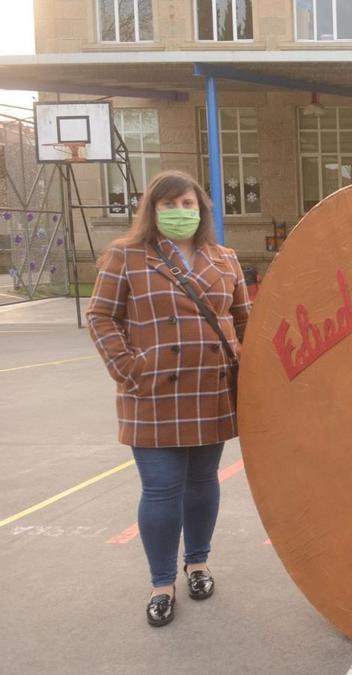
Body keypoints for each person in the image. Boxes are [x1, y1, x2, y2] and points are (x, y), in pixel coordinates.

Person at [87, 170, 251, 628]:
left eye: (188, 204)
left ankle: (197, 563)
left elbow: (244, 321)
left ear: (201, 210)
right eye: (169, 205)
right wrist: (128, 369)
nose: (180, 213)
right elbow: (101, 316)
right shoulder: (126, 256)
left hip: (211, 390)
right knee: (160, 489)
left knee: (203, 484)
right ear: (151, 210)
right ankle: (162, 582)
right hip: (152, 394)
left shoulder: (225, 259)